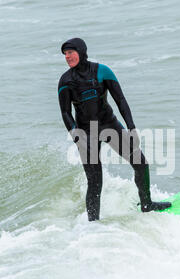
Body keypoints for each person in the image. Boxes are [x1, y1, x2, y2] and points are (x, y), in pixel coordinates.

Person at [57, 38, 171, 221]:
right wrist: (76, 135)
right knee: (95, 181)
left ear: (81, 51)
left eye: (70, 52)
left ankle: (147, 204)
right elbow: (65, 112)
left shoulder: (102, 71)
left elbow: (121, 100)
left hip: (109, 124)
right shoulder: (66, 80)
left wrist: (131, 127)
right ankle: (93, 223)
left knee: (141, 164)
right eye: (65, 54)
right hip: (86, 133)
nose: (67, 57)